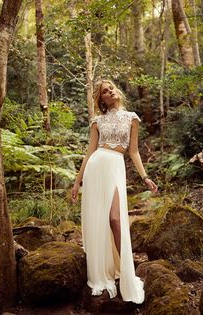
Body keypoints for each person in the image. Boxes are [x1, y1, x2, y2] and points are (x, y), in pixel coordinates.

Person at [71, 79, 157, 304]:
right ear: (102, 100)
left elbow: (134, 152)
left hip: (115, 166)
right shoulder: (97, 121)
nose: (110, 91)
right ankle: (104, 272)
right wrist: (77, 182)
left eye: (111, 88)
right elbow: (89, 153)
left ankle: (127, 273)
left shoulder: (132, 118)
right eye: (105, 91)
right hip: (96, 167)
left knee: (115, 219)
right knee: (100, 221)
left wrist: (145, 177)